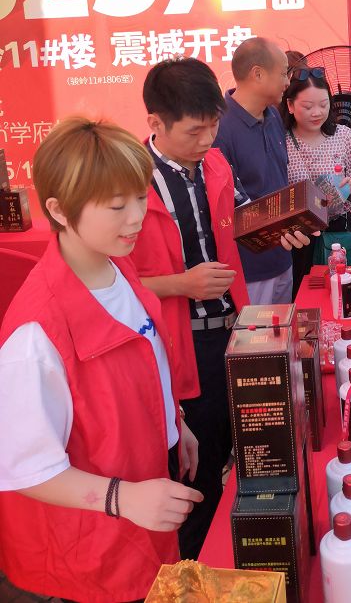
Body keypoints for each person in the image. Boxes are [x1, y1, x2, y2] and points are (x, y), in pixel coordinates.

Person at [0, 118, 202, 603]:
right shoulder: (36, 335)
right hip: (97, 540)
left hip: (145, 492)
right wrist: (123, 497)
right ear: (58, 210)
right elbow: (24, 465)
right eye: (116, 206)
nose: (136, 217)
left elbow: (146, 360)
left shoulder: (118, 267)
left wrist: (176, 423)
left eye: (140, 197)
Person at [129, 58, 248, 560]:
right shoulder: (130, 183)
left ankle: (222, 553)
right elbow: (113, 283)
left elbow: (236, 225)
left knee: (233, 447)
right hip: (177, 344)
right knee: (193, 472)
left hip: (232, 329)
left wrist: (277, 228)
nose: (208, 139)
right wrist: (182, 285)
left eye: (214, 126)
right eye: (195, 131)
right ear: (155, 123)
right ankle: (193, 567)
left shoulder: (215, 164)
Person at [214, 37, 302, 304]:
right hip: (249, 269)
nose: (287, 82)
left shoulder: (273, 116)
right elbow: (225, 205)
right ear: (258, 74)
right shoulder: (219, 129)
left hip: (283, 257)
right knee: (256, 331)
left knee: (282, 328)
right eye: (283, 73)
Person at [280, 66, 351, 295]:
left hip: (338, 229)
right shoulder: (280, 141)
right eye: (308, 106)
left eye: (323, 104)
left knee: (342, 290)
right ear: (290, 105)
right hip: (298, 235)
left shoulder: (345, 136)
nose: (317, 112)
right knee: (302, 294)